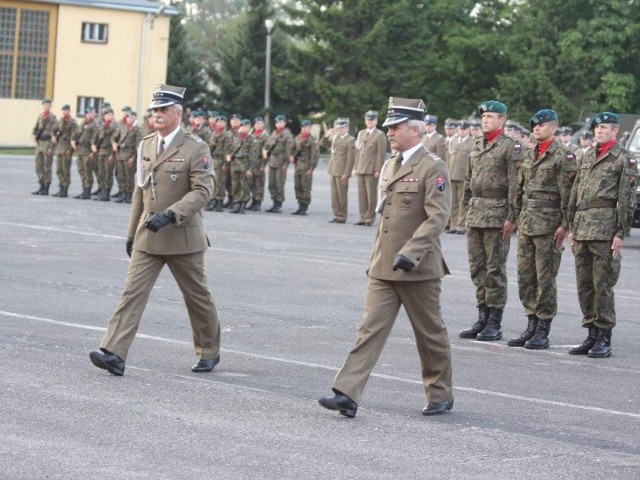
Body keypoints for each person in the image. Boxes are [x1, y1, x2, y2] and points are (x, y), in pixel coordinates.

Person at [318, 97, 453, 418]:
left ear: (415, 130)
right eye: (389, 127)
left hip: (418, 268)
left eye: (396, 127)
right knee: (369, 330)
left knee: (429, 334)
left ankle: (440, 393)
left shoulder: (433, 166)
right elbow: (387, 216)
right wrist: (378, 257)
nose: (389, 132)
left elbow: (438, 217)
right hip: (384, 266)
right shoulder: (392, 163)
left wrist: (411, 253)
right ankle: (347, 393)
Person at [89, 84, 222, 376]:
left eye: (163, 110)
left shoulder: (195, 147)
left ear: (179, 113)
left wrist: (171, 214)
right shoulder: (146, 144)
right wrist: (130, 232)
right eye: (155, 110)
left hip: (182, 236)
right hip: (148, 234)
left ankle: (209, 350)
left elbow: (203, 191)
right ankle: (114, 352)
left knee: (197, 297)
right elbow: (140, 192)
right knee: (131, 294)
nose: (157, 115)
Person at [566, 112, 636, 358]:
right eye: (597, 127)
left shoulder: (622, 159)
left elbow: (626, 200)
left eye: (605, 127)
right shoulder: (585, 156)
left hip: (605, 230)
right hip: (583, 228)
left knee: (602, 285)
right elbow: (576, 194)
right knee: (584, 285)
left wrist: (620, 233)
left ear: (615, 131)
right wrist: (572, 227)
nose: (599, 131)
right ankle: (591, 333)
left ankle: (604, 336)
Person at [508, 109, 577, 349]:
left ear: (553, 128)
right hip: (527, 223)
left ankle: (543, 329)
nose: (536, 128)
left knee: (545, 279)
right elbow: (519, 189)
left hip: (549, 226)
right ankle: (531, 324)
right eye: (534, 125)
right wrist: (515, 216)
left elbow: (569, 195)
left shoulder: (563, 157)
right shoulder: (528, 155)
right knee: (526, 277)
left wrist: (566, 225)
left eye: (542, 125)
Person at [459, 100, 523, 341]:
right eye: (483, 116)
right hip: (476, 213)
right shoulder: (476, 145)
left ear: (502, 120)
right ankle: (482, 317)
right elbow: (468, 180)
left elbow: (516, 185)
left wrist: (511, 216)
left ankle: (494, 322)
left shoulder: (510, 147)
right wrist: (466, 208)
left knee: (495, 269)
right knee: (478, 268)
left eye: (490, 116)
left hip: (497, 216)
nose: (485, 119)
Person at [353, 110, 387, 225]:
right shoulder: (361, 133)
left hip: (371, 168)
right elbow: (358, 152)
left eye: (372, 120)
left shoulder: (379, 135)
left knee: (371, 194)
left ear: (376, 121)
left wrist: (378, 169)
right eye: (368, 120)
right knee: (361, 194)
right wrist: (356, 166)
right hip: (361, 167)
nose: (370, 122)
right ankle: (363, 217)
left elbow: (380, 153)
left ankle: (369, 217)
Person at [321, 118, 355, 223]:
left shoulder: (350, 140)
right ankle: (336, 214)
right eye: (339, 127)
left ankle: (342, 215)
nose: (340, 129)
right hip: (333, 170)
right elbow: (323, 145)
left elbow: (350, 158)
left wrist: (346, 173)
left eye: (343, 127)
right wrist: (326, 135)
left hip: (342, 172)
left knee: (342, 195)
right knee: (334, 195)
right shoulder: (335, 138)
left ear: (347, 128)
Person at [263, 114, 294, 213]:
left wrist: (286, 164)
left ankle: (279, 204)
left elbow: (288, 151)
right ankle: (274, 202)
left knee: (279, 184)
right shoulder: (274, 133)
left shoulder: (287, 134)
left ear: (284, 123)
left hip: (281, 163)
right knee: (271, 184)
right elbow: (267, 144)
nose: (279, 124)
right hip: (272, 162)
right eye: (277, 122)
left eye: (281, 122)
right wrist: (264, 150)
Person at [447, 120, 473, 234]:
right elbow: (448, 158)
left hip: (463, 176)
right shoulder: (453, 141)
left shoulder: (472, 142)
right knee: (452, 202)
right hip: (451, 174)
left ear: (468, 130)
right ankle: (453, 224)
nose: (462, 131)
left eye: (464, 129)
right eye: (460, 129)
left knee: (462, 202)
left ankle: (461, 225)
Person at [111, 111, 143, 204]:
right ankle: (123, 193)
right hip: (120, 155)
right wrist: (114, 143)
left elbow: (138, 146)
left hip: (130, 156)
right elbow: (113, 137)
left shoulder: (137, 130)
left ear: (135, 118)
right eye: (128, 117)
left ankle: (129, 195)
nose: (129, 119)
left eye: (132, 117)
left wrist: (133, 158)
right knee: (121, 176)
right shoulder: (123, 127)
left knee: (129, 177)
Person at [290, 119, 320, 215]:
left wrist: (311, 168)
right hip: (298, 166)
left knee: (306, 187)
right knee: (297, 186)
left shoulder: (312, 140)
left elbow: (314, 155)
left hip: (306, 167)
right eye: (304, 127)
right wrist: (291, 156)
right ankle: (300, 205)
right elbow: (291, 148)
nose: (305, 129)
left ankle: (305, 206)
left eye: (307, 127)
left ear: (310, 128)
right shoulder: (298, 138)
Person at [206, 115, 234, 212]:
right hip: (213, 159)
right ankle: (213, 200)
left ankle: (219, 202)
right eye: (218, 122)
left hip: (221, 160)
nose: (219, 124)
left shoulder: (227, 135)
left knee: (220, 182)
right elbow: (209, 147)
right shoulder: (215, 133)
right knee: (213, 181)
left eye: (222, 122)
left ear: (225, 124)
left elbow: (227, 150)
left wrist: (225, 164)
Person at [71, 106, 99, 199]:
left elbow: (95, 139)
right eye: (88, 113)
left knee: (88, 171)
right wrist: (73, 140)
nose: (89, 115)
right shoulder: (83, 123)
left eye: (91, 113)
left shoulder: (95, 125)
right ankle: (84, 189)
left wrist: (92, 152)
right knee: (81, 170)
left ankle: (87, 191)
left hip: (88, 151)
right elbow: (77, 133)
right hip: (80, 150)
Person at [31, 99, 58, 195]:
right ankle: (41, 185)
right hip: (39, 143)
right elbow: (36, 128)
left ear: (50, 106)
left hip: (47, 143)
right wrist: (33, 135)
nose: (46, 106)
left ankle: (46, 188)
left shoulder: (53, 118)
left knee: (47, 166)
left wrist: (51, 147)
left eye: (48, 105)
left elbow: (54, 133)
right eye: (44, 104)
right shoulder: (40, 116)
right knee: (38, 165)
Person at [51, 104, 78, 198]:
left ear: (69, 111)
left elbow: (74, 137)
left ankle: (65, 189)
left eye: (66, 110)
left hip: (66, 148)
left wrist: (70, 150)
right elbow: (53, 130)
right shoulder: (60, 120)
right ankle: (60, 187)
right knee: (59, 170)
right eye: (63, 110)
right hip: (59, 148)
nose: (64, 111)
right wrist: (53, 136)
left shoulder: (72, 122)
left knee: (65, 170)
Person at [91, 107, 117, 201]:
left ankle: (106, 193)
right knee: (101, 172)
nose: (107, 116)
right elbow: (96, 136)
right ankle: (102, 190)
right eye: (106, 115)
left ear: (113, 116)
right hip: (101, 152)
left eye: (109, 115)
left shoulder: (114, 126)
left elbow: (114, 140)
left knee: (108, 173)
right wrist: (93, 144)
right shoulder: (102, 125)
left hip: (109, 152)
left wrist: (112, 155)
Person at [228, 118, 253, 214]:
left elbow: (253, 156)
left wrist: (250, 169)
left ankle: (243, 204)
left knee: (244, 185)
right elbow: (231, 149)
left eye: (246, 126)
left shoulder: (251, 139)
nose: (243, 128)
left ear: (249, 127)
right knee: (235, 185)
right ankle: (237, 203)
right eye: (242, 126)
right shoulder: (236, 137)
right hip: (235, 164)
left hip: (245, 165)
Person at [246, 116, 269, 211]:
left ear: (263, 124)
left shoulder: (265, 136)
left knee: (259, 184)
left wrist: (264, 165)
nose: (257, 125)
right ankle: (253, 201)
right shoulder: (251, 135)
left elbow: (266, 152)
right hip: (251, 164)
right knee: (252, 183)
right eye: (256, 123)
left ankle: (258, 202)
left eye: (259, 123)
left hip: (259, 164)